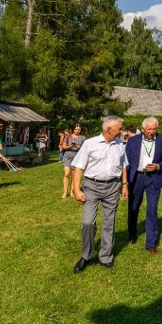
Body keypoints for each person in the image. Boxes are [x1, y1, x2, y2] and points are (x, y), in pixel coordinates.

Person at [70, 115, 129, 273]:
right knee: (88, 222)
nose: (122, 130)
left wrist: (124, 184)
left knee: (109, 223)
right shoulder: (90, 144)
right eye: (120, 128)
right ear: (109, 129)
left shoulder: (120, 145)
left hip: (113, 187)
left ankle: (106, 257)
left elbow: (123, 165)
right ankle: (86, 256)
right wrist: (76, 189)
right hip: (92, 186)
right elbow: (78, 168)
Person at [125, 117, 162, 254]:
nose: (152, 131)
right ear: (143, 129)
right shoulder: (133, 140)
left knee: (152, 210)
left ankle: (151, 242)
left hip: (153, 178)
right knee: (133, 207)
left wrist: (158, 166)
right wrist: (125, 182)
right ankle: (132, 233)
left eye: (154, 129)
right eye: (149, 129)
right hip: (137, 177)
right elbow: (126, 161)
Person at [61, 124, 85, 198]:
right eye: (76, 129)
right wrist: (70, 146)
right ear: (73, 129)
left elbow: (86, 148)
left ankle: (72, 191)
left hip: (77, 158)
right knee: (67, 174)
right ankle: (65, 192)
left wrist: (79, 147)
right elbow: (63, 146)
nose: (77, 131)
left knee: (75, 175)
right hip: (67, 157)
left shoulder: (83, 138)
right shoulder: (68, 136)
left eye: (79, 130)